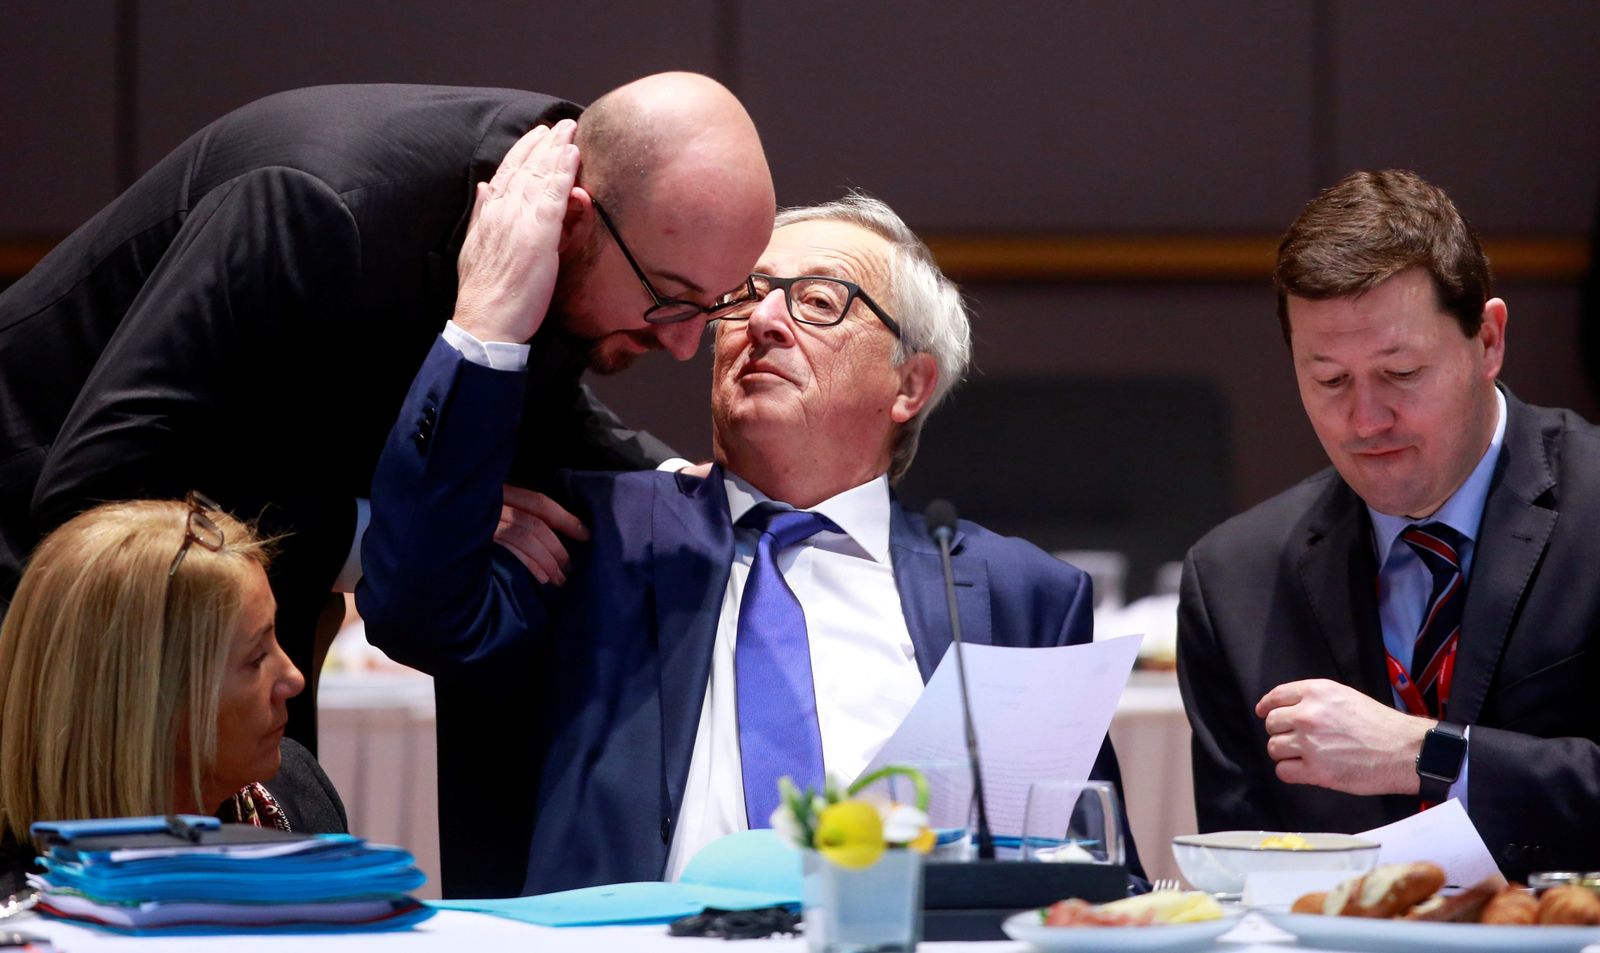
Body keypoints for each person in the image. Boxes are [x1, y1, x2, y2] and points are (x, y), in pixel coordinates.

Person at [357, 190, 1143, 898]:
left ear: (910, 385)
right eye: (745, 296)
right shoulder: (596, 534)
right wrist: (490, 320)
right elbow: (411, 609)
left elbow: (1093, 871)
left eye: (820, 302)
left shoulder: (1017, 593)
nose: (764, 320)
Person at [0, 74, 775, 747]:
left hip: (232, 630)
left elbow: (547, 406)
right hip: (41, 597)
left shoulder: (587, 224)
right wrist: (390, 527)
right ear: (573, 216)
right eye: (670, 298)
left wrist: (691, 493)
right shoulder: (316, 209)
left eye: (714, 306)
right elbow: (102, 496)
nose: (682, 346)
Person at [1177, 169, 1600, 879]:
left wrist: (1427, 754)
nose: (1366, 421)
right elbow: (1243, 884)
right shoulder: (1235, 579)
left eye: (1401, 372)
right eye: (1330, 380)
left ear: (1489, 340)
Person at [0, 495, 346, 894]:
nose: (293, 679)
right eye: (255, 659)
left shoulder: (297, 789)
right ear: (146, 699)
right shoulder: (19, 907)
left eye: (276, 639)